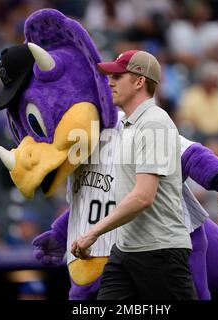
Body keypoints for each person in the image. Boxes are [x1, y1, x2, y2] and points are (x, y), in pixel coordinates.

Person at [71, 50, 197, 300]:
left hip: (160, 250)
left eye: (118, 76)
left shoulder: (154, 123)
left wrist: (94, 232)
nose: (110, 82)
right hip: (127, 249)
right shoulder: (130, 124)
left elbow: (143, 197)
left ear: (140, 81)